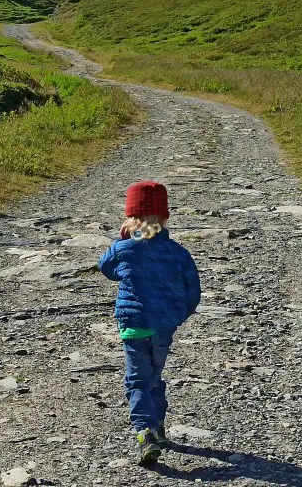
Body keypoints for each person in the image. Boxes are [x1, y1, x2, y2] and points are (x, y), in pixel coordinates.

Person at [98, 181, 201, 464]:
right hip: (164, 327)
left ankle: (145, 432)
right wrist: (178, 315)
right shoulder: (178, 253)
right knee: (154, 377)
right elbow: (193, 290)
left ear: (130, 217)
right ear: (164, 216)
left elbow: (105, 267)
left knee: (137, 380)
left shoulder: (124, 249)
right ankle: (158, 427)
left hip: (133, 326)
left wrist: (121, 242)